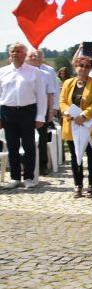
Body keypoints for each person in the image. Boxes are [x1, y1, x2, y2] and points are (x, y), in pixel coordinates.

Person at [0, 42, 47, 189]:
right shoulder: (2, 72)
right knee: (12, 146)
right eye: (13, 51)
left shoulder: (34, 71)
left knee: (29, 145)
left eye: (19, 51)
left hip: (28, 111)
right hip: (8, 111)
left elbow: (41, 95)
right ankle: (15, 177)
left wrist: (40, 116)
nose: (15, 53)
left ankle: (28, 177)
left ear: (25, 54)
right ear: (10, 54)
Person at [60, 55, 92, 198]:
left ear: (90, 68)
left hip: (90, 126)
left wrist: (83, 115)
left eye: (87, 66)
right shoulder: (68, 83)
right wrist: (69, 113)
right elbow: (62, 101)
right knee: (75, 156)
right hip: (72, 124)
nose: (83, 69)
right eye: (81, 66)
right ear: (75, 67)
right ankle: (77, 184)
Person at [25, 49, 59, 176]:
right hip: (26, 108)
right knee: (27, 138)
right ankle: (27, 164)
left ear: (42, 58)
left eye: (38, 56)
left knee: (42, 138)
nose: (35, 58)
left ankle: (42, 165)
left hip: (42, 109)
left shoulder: (47, 71)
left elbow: (53, 92)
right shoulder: (24, 71)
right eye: (32, 56)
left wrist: (53, 109)